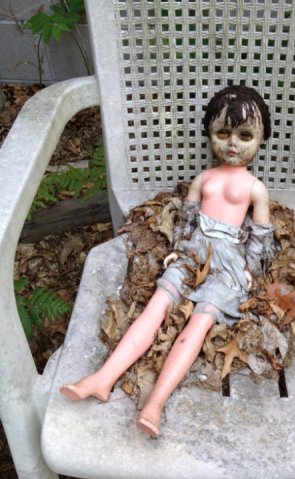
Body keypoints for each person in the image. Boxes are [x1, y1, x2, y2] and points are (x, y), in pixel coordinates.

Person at [60, 85, 275, 437]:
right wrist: (179, 246)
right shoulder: (203, 179)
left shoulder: (255, 188)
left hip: (227, 263)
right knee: (156, 307)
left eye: (245, 136)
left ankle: (155, 403)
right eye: (223, 134)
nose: (233, 144)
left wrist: (250, 269)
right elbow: (189, 219)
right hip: (194, 252)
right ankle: (102, 378)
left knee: (199, 323)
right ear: (209, 134)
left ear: (261, 138)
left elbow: (261, 235)